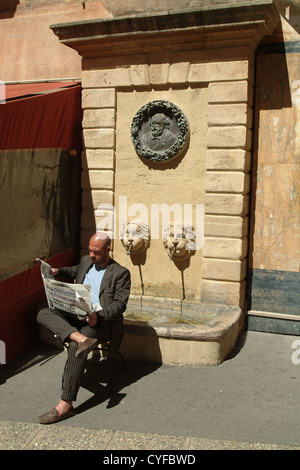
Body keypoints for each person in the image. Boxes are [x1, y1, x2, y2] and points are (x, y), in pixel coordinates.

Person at [37, 232, 131, 424]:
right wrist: (57, 271)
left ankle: (65, 404)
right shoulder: (86, 261)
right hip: (76, 314)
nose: (92, 255)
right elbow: (74, 270)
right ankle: (80, 339)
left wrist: (99, 317)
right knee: (42, 312)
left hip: (99, 322)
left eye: (96, 252)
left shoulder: (120, 273)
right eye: (90, 250)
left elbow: (119, 305)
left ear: (108, 249)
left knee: (74, 348)